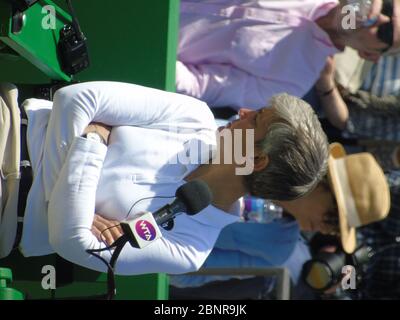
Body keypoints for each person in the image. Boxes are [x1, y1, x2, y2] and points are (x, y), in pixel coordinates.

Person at [0, 81, 328, 275]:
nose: (242, 111)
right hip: (10, 127)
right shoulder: (197, 116)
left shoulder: (191, 249)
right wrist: (64, 210)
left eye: (255, 119)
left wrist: (95, 138)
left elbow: (71, 243)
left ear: (256, 159)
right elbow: (76, 98)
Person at [177, 0, 399, 109]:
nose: (377, 18)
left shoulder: (294, 80)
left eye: (386, 31)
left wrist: (157, 53)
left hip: (156, 42)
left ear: (369, 55)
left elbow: (200, 85)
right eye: (386, 8)